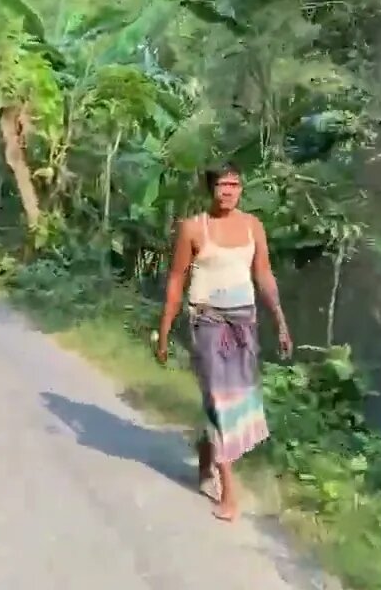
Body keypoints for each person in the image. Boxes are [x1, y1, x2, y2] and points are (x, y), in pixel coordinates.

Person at [156, 161, 292, 522]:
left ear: (241, 189)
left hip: (244, 322)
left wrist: (280, 320)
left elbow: (263, 274)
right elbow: (175, 280)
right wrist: (165, 331)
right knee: (220, 400)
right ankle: (228, 490)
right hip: (207, 321)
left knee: (238, 399)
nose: (229, 191)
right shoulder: (192, 229)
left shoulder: (252, 227)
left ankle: (205, 460)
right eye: (222, 185)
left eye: (235, 184)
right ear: (211, 189)